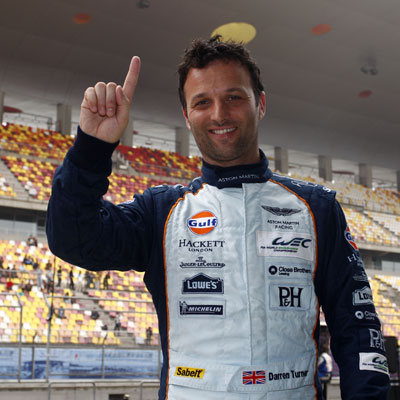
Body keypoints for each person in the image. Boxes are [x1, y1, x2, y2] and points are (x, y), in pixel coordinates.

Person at [46, 36, 390, 399]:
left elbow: (357, 328)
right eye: (202, 102)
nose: (219, 114)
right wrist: (91, 148)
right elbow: (73, 239)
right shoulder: (160, 212)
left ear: (260, 103)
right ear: (187, 115)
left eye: (233, 97)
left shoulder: (317, 209)